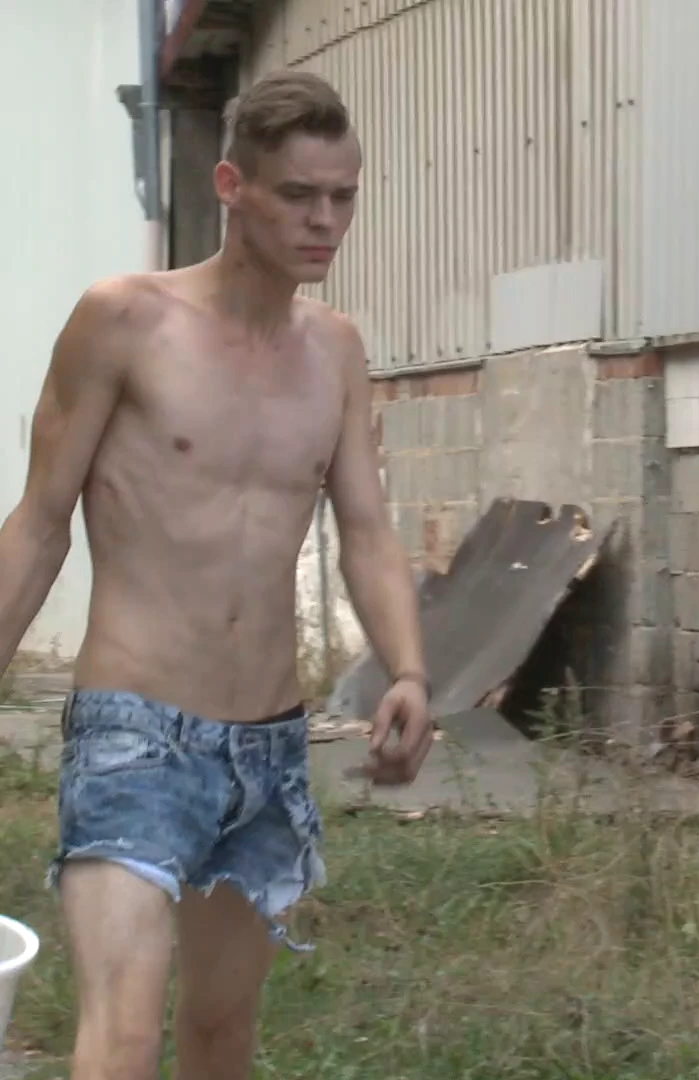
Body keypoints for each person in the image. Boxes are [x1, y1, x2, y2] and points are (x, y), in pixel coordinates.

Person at [0, 70, 434, 1080]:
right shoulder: (124, 320)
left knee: (218, 1034)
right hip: (135, 733)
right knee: (122, 1038)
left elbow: (365, 528)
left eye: (344, 196)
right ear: (232, 185)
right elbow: (40, 521)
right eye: (299, 195)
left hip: (267, 745)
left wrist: (409, 670)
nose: (325, 221)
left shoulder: (335, 351)